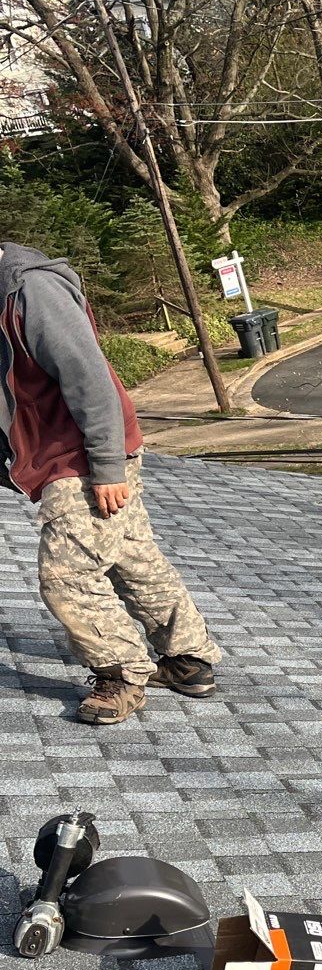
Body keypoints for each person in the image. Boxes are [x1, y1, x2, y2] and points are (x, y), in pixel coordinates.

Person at [0, 242, 220, 724]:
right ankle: (188, 660)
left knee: (67, 575)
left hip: (83, 453)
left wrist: (106, 467)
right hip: (63, 452)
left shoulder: (31, 290)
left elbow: (90, 379)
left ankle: (120, 673)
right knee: (130, 555)